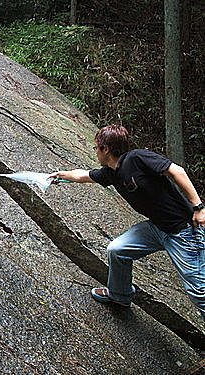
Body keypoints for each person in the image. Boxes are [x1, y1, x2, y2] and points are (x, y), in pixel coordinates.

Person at [51, 124, 204, 319]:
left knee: (200, 292)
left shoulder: (137, 158)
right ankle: (120, 295)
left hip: (183, 232)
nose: (95, 152)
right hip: (157, 228)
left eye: (96, 147)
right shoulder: (110, 173)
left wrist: (198, 207)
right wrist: (59, 176)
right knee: (117, 250)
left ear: (105, 149)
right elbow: (82, 175)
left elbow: (177, 171)